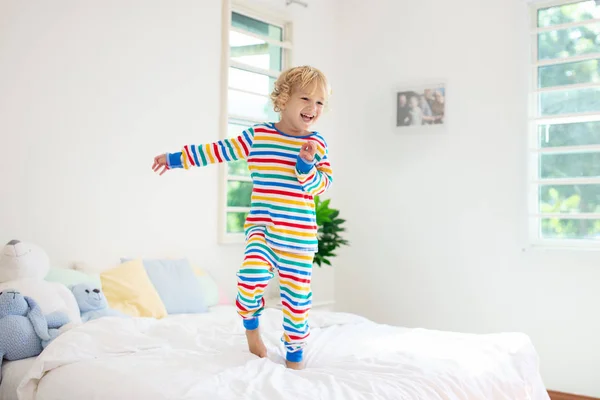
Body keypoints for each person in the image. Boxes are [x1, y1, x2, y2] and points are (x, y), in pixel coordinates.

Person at [151, 65, 333, 370]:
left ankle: (295, 358)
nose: (312, 108)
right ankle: (252, 335)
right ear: (283, 99)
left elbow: (322, 185)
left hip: (299, 239)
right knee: (249, 281)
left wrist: (306, 167)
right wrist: (175, 159)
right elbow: (218, 151)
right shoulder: (258, 136)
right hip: (262, 230)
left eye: (320, 103)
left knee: (297, 304)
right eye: (305, 99)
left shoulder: (317, 144)